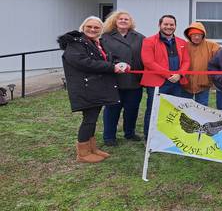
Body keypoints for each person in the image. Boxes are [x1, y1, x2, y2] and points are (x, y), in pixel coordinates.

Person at [57, 16, 128, 163]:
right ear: (83, 27)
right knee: (89, 120)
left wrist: (119, 63)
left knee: (93, 119)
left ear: (100, 30)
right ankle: (83, 153)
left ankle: (92, 148)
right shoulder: (75, 44)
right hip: (85, 88)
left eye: (96, 28)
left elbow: (106, 59)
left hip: (94, 87)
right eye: (89, 26)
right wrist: (111, 67)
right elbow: (85, 63)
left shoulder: (95, 43)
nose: (93, 30)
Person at [141, 14, 190, 140]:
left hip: (176, 82)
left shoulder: (182, 42)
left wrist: (179, 74)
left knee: (173, 111)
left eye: (171, 25)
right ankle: (150, 137)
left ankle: (169, 137)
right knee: (153, 110)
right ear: (160, 25)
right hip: (158, 82)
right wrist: (168, 75)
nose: (169, 27)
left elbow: (186, 61)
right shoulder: (149, 41)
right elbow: (148, 62)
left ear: (175, 26)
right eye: (166, 24)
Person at [100, 11, 145, 146]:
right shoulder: (105, 37)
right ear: (115, 21)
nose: (124, 21)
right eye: (120, 19)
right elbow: (101, 56)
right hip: (114, 80)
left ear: (131, 22)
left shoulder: (140, 37)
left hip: (134, 80)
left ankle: (129, 132)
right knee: (112, 110)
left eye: (127, 19)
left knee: (132, 109)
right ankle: (109, 137)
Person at [183, 22, 221, 106]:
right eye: (193, 35)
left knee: (202, 108)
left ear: (203, 35)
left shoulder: (212, 46)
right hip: (185, 84)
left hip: (203, 84)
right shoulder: (183, 45)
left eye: (199, 35)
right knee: (185, 108)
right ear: (189, 35)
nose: (196, 37)